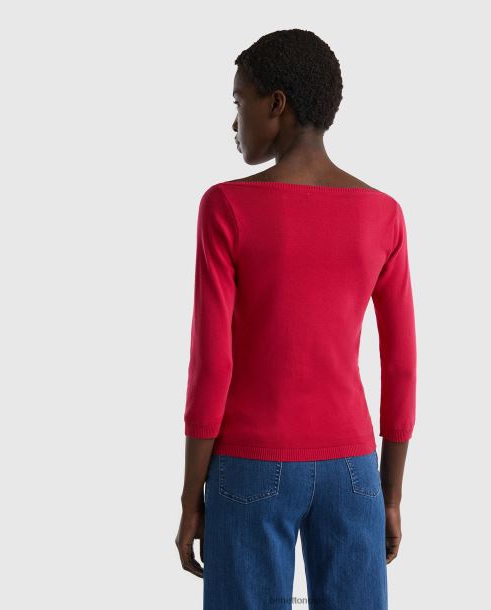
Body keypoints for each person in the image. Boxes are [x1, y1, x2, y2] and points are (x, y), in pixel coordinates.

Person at [175, 29, 417, 610]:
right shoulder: (383, 214)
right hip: (353, 470)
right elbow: (402, 366)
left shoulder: (227, 207)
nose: (235, 121)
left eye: (240, 101)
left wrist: (190, 497)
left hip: (249, 464)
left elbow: (212, 364)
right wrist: (389, 494)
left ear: (276, 104)